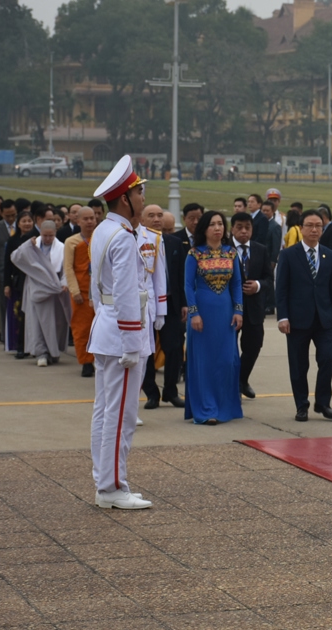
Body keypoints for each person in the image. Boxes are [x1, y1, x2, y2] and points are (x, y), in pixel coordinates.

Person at [88, 155, 153, 510]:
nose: (143, 198)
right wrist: (132, 342)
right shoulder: (124, 236)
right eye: (139, 192)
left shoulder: (103, 230)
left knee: (104, 411)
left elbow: (101, 290)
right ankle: (112, 487)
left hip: (106, 328)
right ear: (125, 198)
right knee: (120, 414)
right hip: (122, 334)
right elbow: (127, 294)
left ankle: (105, 480)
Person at [276, 209, 332, 422]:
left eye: (318, 226)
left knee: (327, 359)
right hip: (297, 320)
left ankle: (323, 403)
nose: (314, 229)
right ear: (301, 228)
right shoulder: (288, 254)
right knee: (298, 365)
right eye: (310, 225)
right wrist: (283, 317)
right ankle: (301, 405)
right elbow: (282, 289)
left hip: (324, 319)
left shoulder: (329, 255)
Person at [184, 211, 243, 425]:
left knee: (227, 360)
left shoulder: (231, 253)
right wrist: (194, 313)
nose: (218, 228)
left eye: (220, 224)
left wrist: (239, 311)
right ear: (204, 229)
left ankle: (226, 406)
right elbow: (188, 286)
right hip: (202, 316)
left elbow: (236, 283)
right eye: (212, 224)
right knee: (204, 362)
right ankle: (206, 408)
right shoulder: (194, 254)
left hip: (226, 314)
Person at [9, 220, 71, 366]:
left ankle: (52, 352)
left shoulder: (61, 248)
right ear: (40, 233)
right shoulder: (32, 245)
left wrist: (64, 283)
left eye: (51, 236)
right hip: (35, 288)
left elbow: (66, 268)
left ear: (55, 234)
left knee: (54, 323)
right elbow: (15, 257)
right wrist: (27, 245)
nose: (48, 238)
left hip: (53, 290)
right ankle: (41, 352)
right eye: (45, 235)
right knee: (36, 323)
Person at [142, 210, 186, 407]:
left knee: (174, 348)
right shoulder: (137, 242)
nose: (157, 219)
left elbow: (181, 276)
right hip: (146, 305)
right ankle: (152, 393)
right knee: (147, 349)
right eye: (151, 215)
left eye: (159, 215)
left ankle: (171, 390)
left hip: (171, 303)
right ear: (142, 220)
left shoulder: (174, 243)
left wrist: (184, 303)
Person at [231, 212, 273, 399]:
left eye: (247, 227)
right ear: (232, 228)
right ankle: (232, 383)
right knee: (230, 347)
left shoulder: (260, 249)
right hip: (231, 309)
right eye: (239, 227)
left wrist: (258, 286)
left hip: (254, 307)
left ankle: (242, 379)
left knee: (254, 346)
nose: (244, 231)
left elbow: (269, 278)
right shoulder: (225, 250)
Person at [136, 205, 168, 409]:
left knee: (144, 355)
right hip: (122, 305)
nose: (156, 219)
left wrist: (160, 311)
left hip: (147, 305)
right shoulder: (115, 234)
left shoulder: (154, 238)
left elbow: (159, 277)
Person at [63, 207, 97, 376]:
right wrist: (74, 290)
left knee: (100, 328)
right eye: (86, 219)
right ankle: (86, 361)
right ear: (78, 221)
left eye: (92, 218)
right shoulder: (72, 242)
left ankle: (100, 359)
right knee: (82, 328)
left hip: (99, 291)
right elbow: (68, 267)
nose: (90, 221)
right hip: (81, 291)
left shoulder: (101, 239)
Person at [3, 211, 33, 356]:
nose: (27, 224)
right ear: (18, 223)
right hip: (18, 282)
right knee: (20, 314)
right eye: (24, 221)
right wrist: (6, 284)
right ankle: (20, 346)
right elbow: (7, 264)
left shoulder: (36, 239)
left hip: (33, 280)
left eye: (29, 221)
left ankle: (30, 346)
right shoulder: (13, 241)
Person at [0, 199, 18, 342]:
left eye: (13, 215)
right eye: (8, 216)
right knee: (3, 304)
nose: (11, 218)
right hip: (1, 273)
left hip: (18, 272)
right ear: (1, 213)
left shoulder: (22, 225)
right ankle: (5, 336)